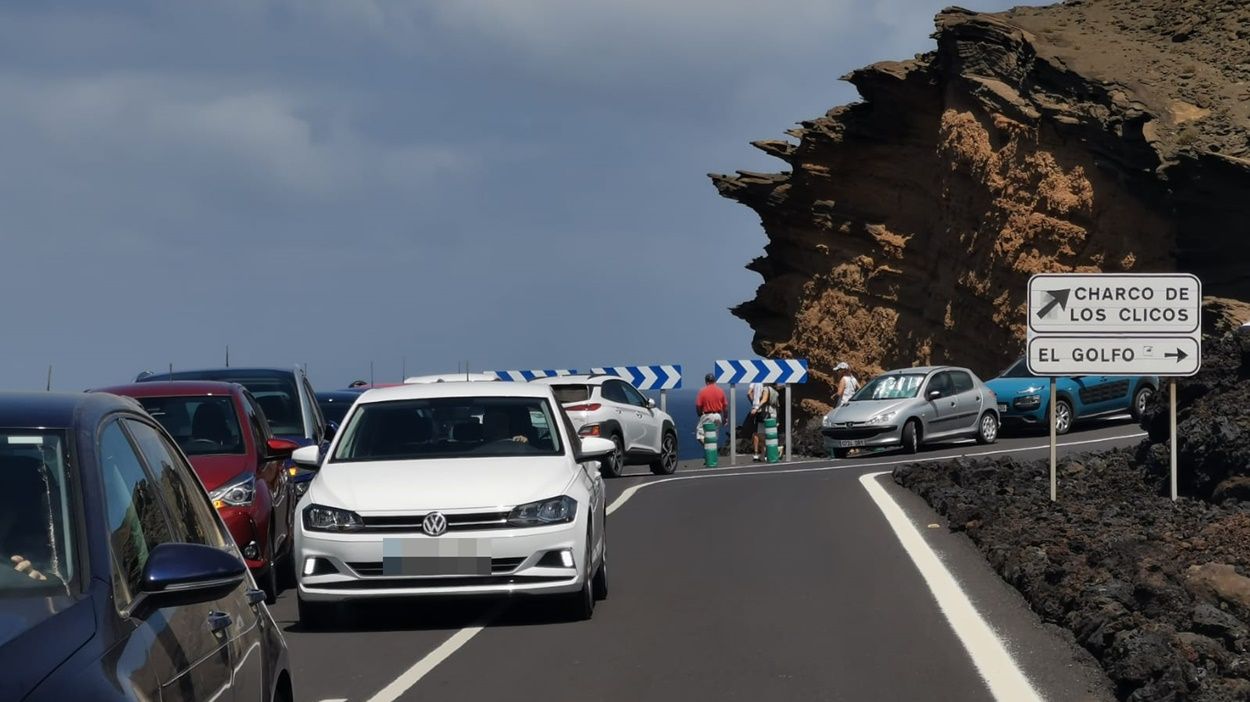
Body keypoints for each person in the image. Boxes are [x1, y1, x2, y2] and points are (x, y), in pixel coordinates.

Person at [695, 373, 727, 446]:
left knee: (700, 435)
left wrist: (699, 414)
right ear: (715, 381)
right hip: (718, 416)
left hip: (707, 415)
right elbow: (725, 406)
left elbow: (698, 406)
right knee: (714, 437)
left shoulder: (702, 391)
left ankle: (708, 449)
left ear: (706, 381)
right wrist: (725, 418)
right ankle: (713, 452)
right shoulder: (720, 391)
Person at [748, 383, 777, 461]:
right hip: (772, 413)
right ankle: (766, 454)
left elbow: (764, 400)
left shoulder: (766, 389)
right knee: (769, 434)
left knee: (759, 434)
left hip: (764, 413)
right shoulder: (774, 390)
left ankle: (763, 453)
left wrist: (756, 408)